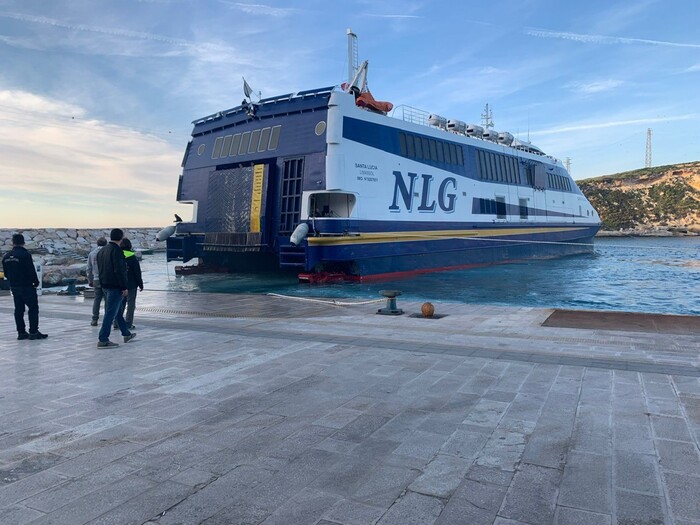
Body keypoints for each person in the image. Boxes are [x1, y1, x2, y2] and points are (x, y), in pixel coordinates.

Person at [1, 233, 48, 340]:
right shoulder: (25, 255)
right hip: (26, 286)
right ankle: (33, 331)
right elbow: (30, 270)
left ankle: (21, 332)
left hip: (14, 287)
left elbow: (6, 274)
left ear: (13, 242)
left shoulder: (6, 257)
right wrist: (36, 282)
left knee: (18, 310)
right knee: (33, 308)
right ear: (23, 242)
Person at [96, 228, 135, 348]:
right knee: (111, 313)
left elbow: (100, 268)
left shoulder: (102, 250)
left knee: (117, 311)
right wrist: (124, 287)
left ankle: (126, 333)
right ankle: (103, 339)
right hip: (115, 286)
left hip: (105, 285)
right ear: (121, 237)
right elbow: (120, 270)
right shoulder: (117, 251)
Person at [119, 238, 143, 329]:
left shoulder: (118, 256)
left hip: (120, 284)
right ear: (129, 246)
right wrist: (140, 284)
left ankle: (117, 322)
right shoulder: (132, 257)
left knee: (120, 304)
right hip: (131, 285)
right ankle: (128, 323)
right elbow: (137, 272)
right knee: (131, 304)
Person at [87, 237, 107, 326]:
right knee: (108, 300)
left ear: (97, 244)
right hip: (107, 279)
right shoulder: (107, 252)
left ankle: (94, 319)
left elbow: (88, 268)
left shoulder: (92, 254)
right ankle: (109, 319)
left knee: (97, 299)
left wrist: (90, 280)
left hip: (96, 279)